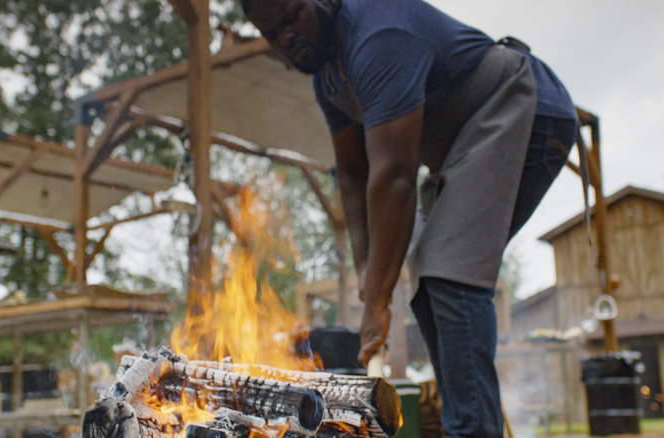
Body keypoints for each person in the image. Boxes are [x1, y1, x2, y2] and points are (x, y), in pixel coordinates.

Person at [242, 0, 577, 435]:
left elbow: (394, 178)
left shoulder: (377, 37)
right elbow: (354, 173)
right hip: (464, 144)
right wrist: (367, 275)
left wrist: (379, 303)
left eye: (291, 18)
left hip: (526, 109)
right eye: (273, 33)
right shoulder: (329, 79)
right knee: (426, 283)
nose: (287, 39)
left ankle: (473, 431)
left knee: (448, 273)